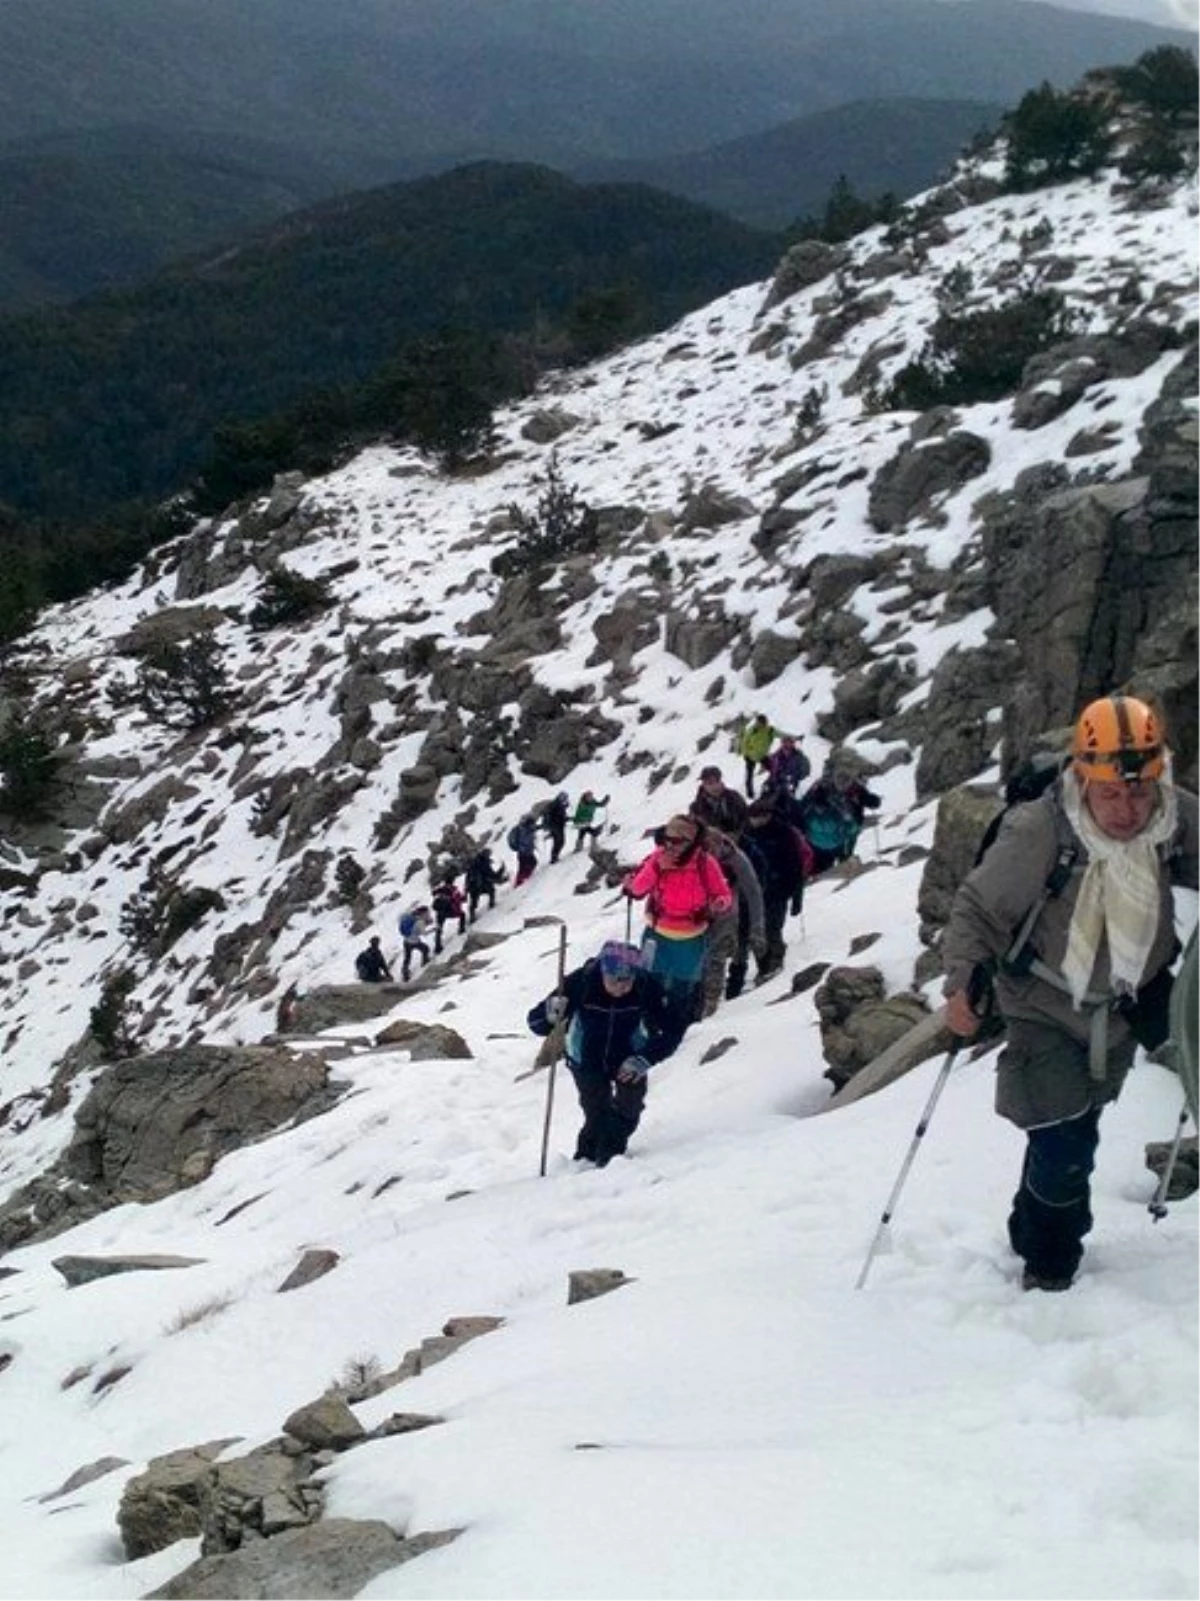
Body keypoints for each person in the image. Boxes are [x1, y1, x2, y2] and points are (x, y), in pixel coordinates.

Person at [942, 694, 1200, 1293]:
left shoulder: (1173, 816)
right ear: (1083, 777)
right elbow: (978, 908)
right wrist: (962, 982)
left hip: (1129, 1002)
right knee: (1066, 1146)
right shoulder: (1039, 831)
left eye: (1138, 792)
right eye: (1110, 792)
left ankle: (1032, 1222)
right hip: (1042, 1003)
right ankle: (1049, 1271)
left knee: (1076, 1124)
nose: (1128, 809)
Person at [528, 940, 683, 1166]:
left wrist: (645, 1058)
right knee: (596, 1114)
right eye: (614, 980)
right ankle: (587, 1162)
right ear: (602, 970)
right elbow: (536, 1024)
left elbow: (673, 1028)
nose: (621, 987)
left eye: (626, 980)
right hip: (586, 1058)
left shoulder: (644, 985)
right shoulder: (581, 982)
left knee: (629, 1110)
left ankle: (609, 1156)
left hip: (630, 1057)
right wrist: (549, 1014)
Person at [624, 814, 733, 1032]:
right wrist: (656, 868)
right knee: (649, 984)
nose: (669, 845)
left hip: (691, 938)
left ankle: (676, 1032)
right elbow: (636, 890)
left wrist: (720, 903)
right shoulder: (657, 859)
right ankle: (651, 1028)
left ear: (690, 842)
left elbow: (723, 893)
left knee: (682, 990)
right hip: (657, 934)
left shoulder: (705, 863)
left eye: (676, 841)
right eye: (667, 839)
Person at [743, 796, 808, 981]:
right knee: (755, 930)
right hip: (754, 891)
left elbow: (795, 865)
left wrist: (797, 897)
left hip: (778, 889)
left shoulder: (783, 833)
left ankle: (776, 961)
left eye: (757, 817)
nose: (754, 821)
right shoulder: (747, 833)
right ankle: (763, 966)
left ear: (767, 816)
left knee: (772, 927)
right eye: (751, 817)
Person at [703, 828, 767, 1012]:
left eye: (712, 849)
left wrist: (757, 927)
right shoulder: (691, 855)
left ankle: (709, 1005)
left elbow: (754, 892)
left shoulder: (735, 858)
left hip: (725, 912)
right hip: (693, 911)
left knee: (717, 956)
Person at [796, 765, 881, 872]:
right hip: (834, 841)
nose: (844, 783)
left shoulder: (820, 788)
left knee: (821, 870)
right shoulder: (852, 791)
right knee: (828, 869)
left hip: (820, 840)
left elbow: (801, 810)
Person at [690, 765, 749, 837]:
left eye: (717, 781)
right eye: (710, 783)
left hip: (742, 838)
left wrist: (737, 834)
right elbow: (696, 833)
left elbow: (746, 817)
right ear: (703, 785)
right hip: (715, 845)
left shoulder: (734, 796)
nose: (715, 786)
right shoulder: (696, 808)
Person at [738, 713, 774, 798]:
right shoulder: (751, 730)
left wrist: (794, 737)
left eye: (762, 723)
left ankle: (773, 785)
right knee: (749, 775)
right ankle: (750, 793)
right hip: (751, 756)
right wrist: (745, 754)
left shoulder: (769, 730)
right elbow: (744, 742)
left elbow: (781, 734)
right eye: (759, 723)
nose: (760, 725)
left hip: (762, 755)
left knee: (774, 770)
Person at [465, 847, 505, 922]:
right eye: (488, 854)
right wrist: (501, 871)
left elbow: (468, 876)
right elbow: (491, 874)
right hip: (481, 885)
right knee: (491, 891)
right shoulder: (484, 863)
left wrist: (466, 889)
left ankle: (472, 915)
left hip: (472, 886)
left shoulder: (474, 862)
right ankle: (491, 904)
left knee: (474, 901)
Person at [398, 905, 434, 981]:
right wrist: (433, 929)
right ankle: (425, 961)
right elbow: (424, 933)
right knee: (425, 949)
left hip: (406, 941)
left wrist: (426, 923)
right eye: (426, 913)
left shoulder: (411, 917)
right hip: (415, 941)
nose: (428, 914)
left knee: (407, 958)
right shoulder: (420, 922)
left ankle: (405, 973)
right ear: (423, 913)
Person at [431, 877, 467, 953]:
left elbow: (433, 893)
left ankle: (437, 945)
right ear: (452, 882)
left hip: (440, 912)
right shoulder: (454, 890)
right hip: (451, 911)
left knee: (439, 927)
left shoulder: (440, 889)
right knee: (462, 915)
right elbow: (461, 899)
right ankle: (461, 929)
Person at [508, 814, 539, 886]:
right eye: (532, 822)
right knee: (524, 867)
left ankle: (524, 879)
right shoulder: (523, 829)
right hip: (523, 852)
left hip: (526, 851)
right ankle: (519, 882)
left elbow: (532, 831)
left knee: (531, 863)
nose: (533, 824)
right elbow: (525, 838)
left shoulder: (525, 828)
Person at [541, 792, 571, 864]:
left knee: (559, 842)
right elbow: (557, 816)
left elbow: (560, 814)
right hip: (556, 826)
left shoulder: (557, 804)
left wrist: (565, 818)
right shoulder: (556, 805)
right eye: (564, 798)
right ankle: (554, 858)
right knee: (559, 842)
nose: (565, 800)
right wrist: (564, 819)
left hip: (557, 826)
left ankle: (554, 857)